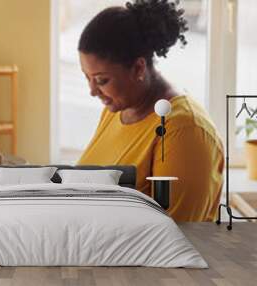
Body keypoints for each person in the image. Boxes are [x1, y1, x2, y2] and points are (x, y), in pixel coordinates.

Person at [77, 0, 224, 222]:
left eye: (101, 80)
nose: (92, 91)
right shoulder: (117, 109)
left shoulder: (185, 132)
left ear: (138, 68)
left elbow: (175, 239)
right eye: (87, 77)